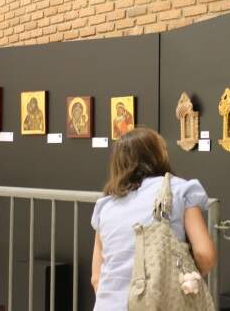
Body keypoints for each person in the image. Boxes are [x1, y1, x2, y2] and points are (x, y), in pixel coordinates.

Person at [91, 127, 216, 310]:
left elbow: (96, 278)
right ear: (158, 155)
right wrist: (184, 275)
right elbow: (204, 254)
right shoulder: (179, 190)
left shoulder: (105, 205)